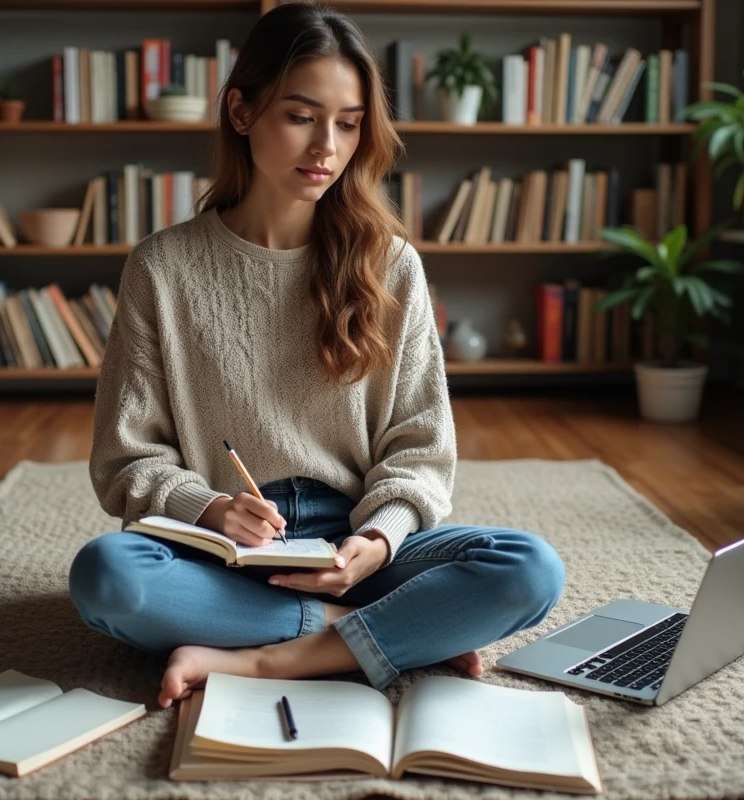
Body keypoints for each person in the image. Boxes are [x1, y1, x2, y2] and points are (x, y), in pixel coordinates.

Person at [68, 3, 565, 710]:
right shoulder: (162, 267)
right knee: (108, 578)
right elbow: (126, 458)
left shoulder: (391, 264)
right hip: (225, 554)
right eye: (302, 116)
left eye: (349, 122)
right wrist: (209, 508)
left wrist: (380, 541)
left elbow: (422, 449)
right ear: (242, 112)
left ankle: (268, 659)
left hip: (354, 547)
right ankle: (374, 637)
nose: (327, 146)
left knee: (528, 569)